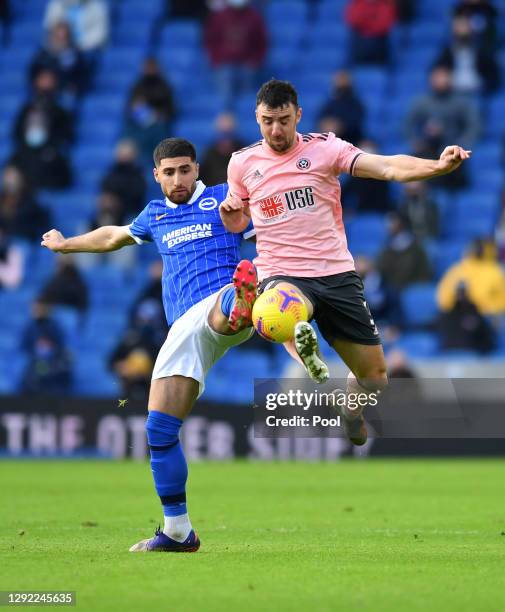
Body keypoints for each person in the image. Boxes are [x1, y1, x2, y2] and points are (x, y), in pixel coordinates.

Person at [220, 79, 471, 446]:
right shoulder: (241, 163)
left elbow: (386, 167)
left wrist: (436, 167)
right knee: (277, 311)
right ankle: (307, 353)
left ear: (298, 115)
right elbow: (240, 220)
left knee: (374, 378)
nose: (275, 129)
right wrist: (232, 218)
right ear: (256, 118)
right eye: (267, 120)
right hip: (282, 270)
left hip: (335, 273)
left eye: (284, 120)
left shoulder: (325, 150)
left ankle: (350, 411)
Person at [41, 137, 257, 554]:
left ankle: (243, 299)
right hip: (184, 329)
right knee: (158, 428)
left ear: (197, 170)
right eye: (169, 172)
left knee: (223, 305)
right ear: (156, 175)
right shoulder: (155, 215)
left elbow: (271, 220)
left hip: (219, 303)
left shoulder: (223, 200)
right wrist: (66, 244)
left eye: (185, 170)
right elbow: (112, 236)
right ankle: (178, 530)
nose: (178, 179)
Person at [404, 66, 479, 190]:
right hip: (428, 149)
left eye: (443, 77)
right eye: (436, 77)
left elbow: (473, 124)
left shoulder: (460, 102)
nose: (439, 80)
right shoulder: (422, 102)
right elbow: (407, 124)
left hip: (452, 149)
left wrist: (463, 143)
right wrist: (415, 141)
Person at [10, 68, 74, 190]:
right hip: (26, 153)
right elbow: (16, 133)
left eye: (49, 79)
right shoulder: (26, 109)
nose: (45, 82)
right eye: (42, 78)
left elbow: (66, 135)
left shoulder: (59, 111)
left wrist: (51, 148)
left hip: (49, 154)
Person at [204, 0, 268, 110]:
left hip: (247, 64)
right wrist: (217, 60)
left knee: (248, 88)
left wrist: (255, 61)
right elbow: (210, 41)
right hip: (224, 63)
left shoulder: (254, 17)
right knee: (225, 84)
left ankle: (247, 115)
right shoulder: (219, 16)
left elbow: (262, 43)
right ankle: (226, 114)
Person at [377, 211, 432, 290]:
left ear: (401, 223)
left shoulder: (416, 248)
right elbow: (381, 269)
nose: (389, 225)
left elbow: (424, 273)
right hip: (390, 287)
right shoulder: (387, 247)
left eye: (393, 221)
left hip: (411, 287)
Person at [200, 113, 245, 186]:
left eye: (228, 134)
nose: (226, 139)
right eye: (223, 134)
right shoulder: (209, 154)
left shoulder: (244, 152)